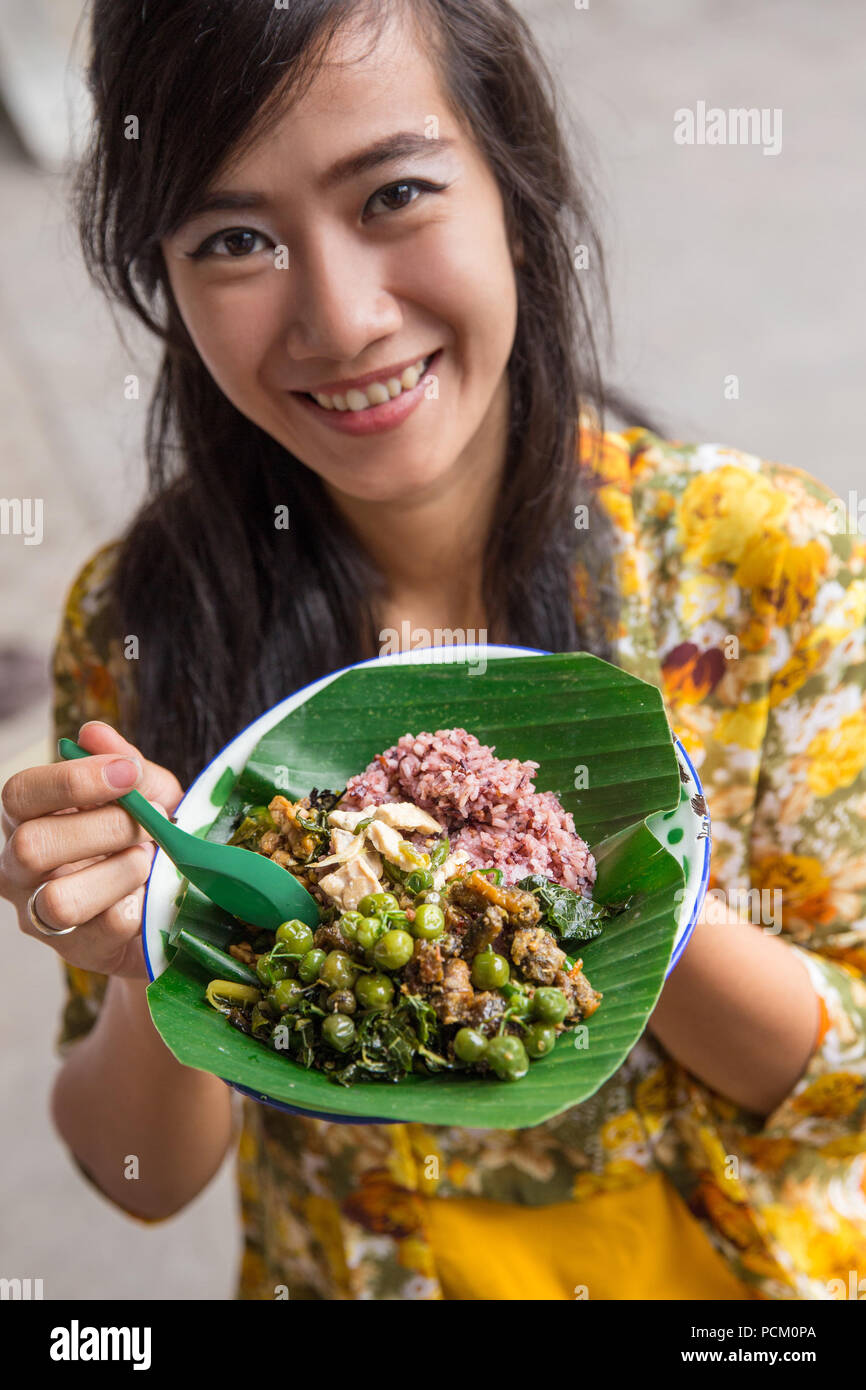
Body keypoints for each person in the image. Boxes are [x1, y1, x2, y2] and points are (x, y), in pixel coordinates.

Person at [2, 0, 865, 1300]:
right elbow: (137, 1180)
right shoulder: (142, 622)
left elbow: (838, 1091)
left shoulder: (764, 565)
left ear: (514, 183)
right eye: (236, 238)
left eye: (393, 192)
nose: (341, 319)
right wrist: (150, 953)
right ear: (163, 279)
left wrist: (613, 887)